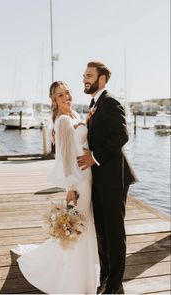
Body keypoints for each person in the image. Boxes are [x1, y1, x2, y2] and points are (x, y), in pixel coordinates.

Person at [12, 81, 100, 294]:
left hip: (88, 176)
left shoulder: (76, 115)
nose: (65, 97)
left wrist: (88, 119)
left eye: (67, 93)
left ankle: (86, 278)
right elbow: (65, 157)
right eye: (60, 95)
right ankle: (74, 282)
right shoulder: (62, 121)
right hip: (78, 181)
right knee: (79, 228)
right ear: (54, 100)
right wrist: (70, 188)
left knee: (86, 228)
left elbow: (82, 144)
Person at [77, 61, 137, 294]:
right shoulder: (95, 103)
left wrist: (94, 157)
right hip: (99, 178)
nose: (85, 78)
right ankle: (104, 277)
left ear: (102, 79)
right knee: (101, 230)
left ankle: (115, 286)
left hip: (113, 178)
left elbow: (122, 135)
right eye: (84, 75)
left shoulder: (110, 101)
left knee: (113, 231)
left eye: (89, 75)